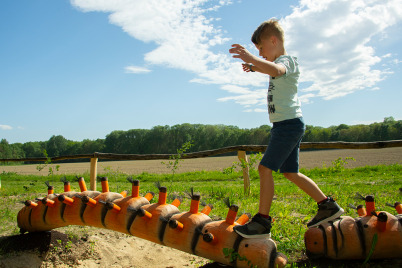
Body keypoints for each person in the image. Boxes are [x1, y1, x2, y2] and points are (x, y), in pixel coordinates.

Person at [229, 19, 344, 238]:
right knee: (291, 172)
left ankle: (262, 221)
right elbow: (270, 70)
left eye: (261, 48)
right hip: (286, 125)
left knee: (264, 169)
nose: (260, 53)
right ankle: (327, 206)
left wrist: (250, 58)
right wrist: (253, 67)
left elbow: (277, 70)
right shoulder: (275, 64)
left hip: (288, 126)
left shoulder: (287, 61)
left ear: (274, 40)